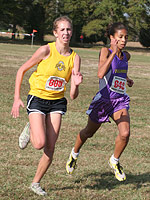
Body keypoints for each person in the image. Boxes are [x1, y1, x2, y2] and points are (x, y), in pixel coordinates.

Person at [11, 16, 83, 196]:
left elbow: (73, 96)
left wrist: (76, 83)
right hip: (37, 98)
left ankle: (35, 183)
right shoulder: (46, 50)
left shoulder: (75, 58)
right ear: (55, 33)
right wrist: (16, 98)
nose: (66, 33)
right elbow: (21, 70)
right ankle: (30, 127)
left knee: (50, 147)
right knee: (39, 143)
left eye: (69, 29)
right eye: (62, 30)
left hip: (57, 102)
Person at [66, 22, 134, 182]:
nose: (123, 40)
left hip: (119, 101)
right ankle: (74, 153)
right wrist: (113, 52)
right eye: (120, 37)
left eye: (125, 37)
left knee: (125, 133)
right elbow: (100, 73)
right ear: (112, 38)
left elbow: (119, 71)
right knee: (88, 132)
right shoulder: (105, 51)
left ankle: (114, 161)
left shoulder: (126, 55)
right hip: (104, 100)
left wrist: (127, 79)